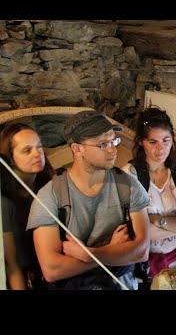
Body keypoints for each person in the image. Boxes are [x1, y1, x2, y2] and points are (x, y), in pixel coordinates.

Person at [26, 110, 151, 290]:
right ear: (77, 149)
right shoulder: (51, 195)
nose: (113, 149)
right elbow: (52, 269)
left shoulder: (128, 185)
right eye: (103, 144)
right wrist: (110, 252)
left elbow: (141, 251)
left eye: (114, 141)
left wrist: (89, 254)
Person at [123, 106, 176, 282]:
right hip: (141, 267)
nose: (161, 149)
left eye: (166, 140)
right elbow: (138, 233)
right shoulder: (131, 176)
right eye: (153, 142)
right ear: (142, 142)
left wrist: (156, 221)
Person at [0, 123, 54, 289]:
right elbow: (11, 265)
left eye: (39, 147)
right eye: (27, 150)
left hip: (53, 275)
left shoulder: (53, 188)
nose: (37, 154)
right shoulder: (4, 201)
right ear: (9, 158)